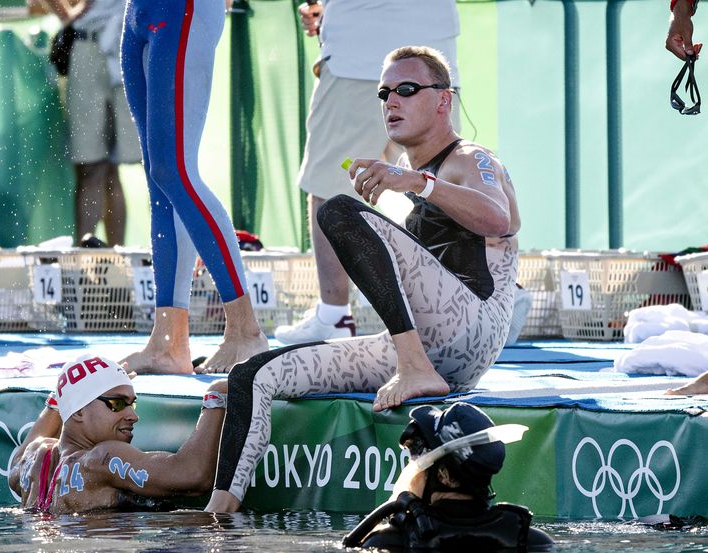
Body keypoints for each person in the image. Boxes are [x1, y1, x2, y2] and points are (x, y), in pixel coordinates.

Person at [204, 46, 520, 513]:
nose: (392, 101)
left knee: (338, 211)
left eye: (407, 90)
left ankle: (413, 365)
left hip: (470, 329)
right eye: (384, 93)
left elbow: (498, 219)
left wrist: (414, 183)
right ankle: (218, 519)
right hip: (431, 347)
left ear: (443, 100)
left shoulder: (471, 159)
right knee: (252, 375)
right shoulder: (419, 170)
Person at [274, 0, 462, 344]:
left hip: (360, 52)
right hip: (434, 47)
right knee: (445, 184)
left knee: (330, 185)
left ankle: (334, 315)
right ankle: (473, 304)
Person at [119, 0, 268, 374]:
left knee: (175, 171)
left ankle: (245, 330)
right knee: (159, 178)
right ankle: (169, 343)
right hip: (139, 10)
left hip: (181, 9)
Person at [8, 354, 227, 513]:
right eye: (117, 403)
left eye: (132, 404)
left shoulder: (33, 457)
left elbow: (16, 459)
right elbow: (192, 476)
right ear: (80, 411)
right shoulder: (101, 459)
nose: (132, 415)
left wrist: (62, 398)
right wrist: (216, 397)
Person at [343, 402, 555, 552]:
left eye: (419, 462)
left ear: (444, 476)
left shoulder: (389, 542)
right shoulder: (529, 539)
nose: (413, 471)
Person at [42, 0, 142, 247]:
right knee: (91, 167)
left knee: (110, 169)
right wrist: (69, 13)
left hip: (124, 47)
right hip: (87, 46)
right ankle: (85, 264)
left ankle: (117, 261)